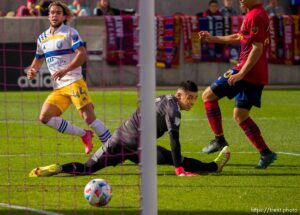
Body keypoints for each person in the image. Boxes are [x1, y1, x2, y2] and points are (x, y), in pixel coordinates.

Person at [29, 81, 231, 177]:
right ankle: (214, 166)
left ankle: (57, 168)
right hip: (139, 147)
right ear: (179, 96)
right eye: (190, 97)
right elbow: (174, 140)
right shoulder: (174, 110)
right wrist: (179, 169)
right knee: (176, 159)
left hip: (118, 139)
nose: (192, 102)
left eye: (195, 98)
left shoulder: (161, 99)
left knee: (88, 168)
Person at [198, 0, 277, 169]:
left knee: (207, 96)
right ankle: (266, 153)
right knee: (240, 115)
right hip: (257, 73)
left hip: (247, 71)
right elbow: (238, 37)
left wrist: (241, 73)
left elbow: (257, 48)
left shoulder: (255, 15)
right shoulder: (253, 13)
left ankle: (219, 140)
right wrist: (212, 38)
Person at [27, 1, 111, 155]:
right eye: (52, 12)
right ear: (48, 15)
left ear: (64, 16)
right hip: (58, 88)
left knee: (89, 118)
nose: (54, 15)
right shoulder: (42, 38)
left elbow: (82, 54)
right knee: (45, 117)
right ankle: (84, 135)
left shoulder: (70, 32)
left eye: (58, 12)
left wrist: (65, 70)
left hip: (74, 82)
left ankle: (114, 149)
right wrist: (32, 71)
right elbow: (38, 59)